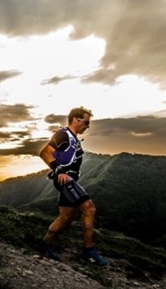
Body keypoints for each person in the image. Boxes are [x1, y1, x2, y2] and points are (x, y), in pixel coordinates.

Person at [37, 106, 107, 266]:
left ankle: (44, 245)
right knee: (89, 209)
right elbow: (45, 152)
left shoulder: (74, 138)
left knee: (66, 219)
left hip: (70, 179)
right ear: (76, 119)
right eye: (86, 122)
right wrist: (58, 170)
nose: (88, 126)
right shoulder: (63, 134)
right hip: (65, 180)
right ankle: (88, 252)